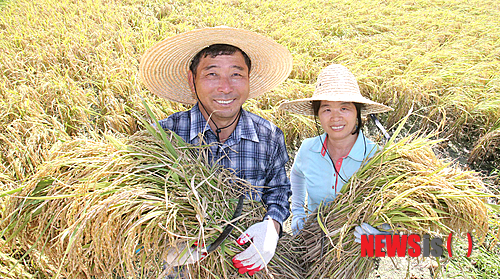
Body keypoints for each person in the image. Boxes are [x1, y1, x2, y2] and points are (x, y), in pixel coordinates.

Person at [139, 26, 293, 276]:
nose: (225, 87)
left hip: (246, 265)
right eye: (211, 74)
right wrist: (161, 245)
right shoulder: (163, 137)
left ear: (249, 79)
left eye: (236, 74)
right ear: (192, 80)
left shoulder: (269, 136)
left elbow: (278, 190)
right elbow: (138, 204)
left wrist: (272, 226)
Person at [278, 64, 393, 237]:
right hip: (313, 240)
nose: (335, 117)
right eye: (327, 109)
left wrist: (382, 235)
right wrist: (298, 212)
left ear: (358, 113)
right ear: (318, 115)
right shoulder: (308, 149)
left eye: (344, 108)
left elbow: (389, 208)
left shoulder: (375, 157)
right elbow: (297, 174)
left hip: (355, 248)